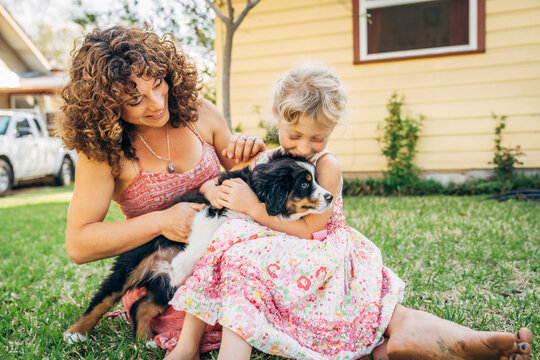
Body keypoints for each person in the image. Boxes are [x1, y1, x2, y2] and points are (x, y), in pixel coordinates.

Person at [164, 64, 533, 360]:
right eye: (294, 136)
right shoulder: (267, 158)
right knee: (227, 244)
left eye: (317, 138)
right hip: (273, 251)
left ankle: (470, 341)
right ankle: (187, 346)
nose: (305, 147)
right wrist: (214, 188)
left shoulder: (327, 165)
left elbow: (311, 230)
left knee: (239, 257)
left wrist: (252, 208)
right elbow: (228, 182)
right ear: (277, 118)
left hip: (314, 252)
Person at [58, 25, 265, 352]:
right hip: (160, 270)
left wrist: (251, 148)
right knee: (199, 321)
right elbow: (79, 244)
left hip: (223, 257)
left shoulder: (201, 113)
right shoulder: (103, 153)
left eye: (157, 83)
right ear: (107, 104)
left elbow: (244, 174)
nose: (156, 103)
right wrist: (161, 221)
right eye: (135, 99)